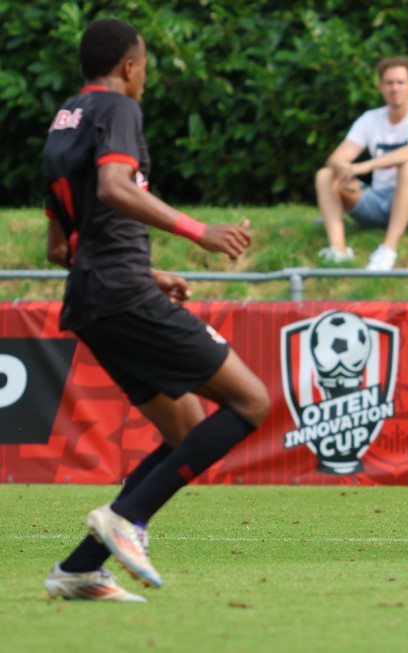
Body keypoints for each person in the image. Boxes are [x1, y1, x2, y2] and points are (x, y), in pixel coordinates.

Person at [41, 18, 270, 601]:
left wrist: (148, 272)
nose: (144, 78)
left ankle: (80, 568)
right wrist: (200, 232)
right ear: (129, 66)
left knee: (187, 429)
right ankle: (125, 520)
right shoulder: (117, 109)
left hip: (93, 297)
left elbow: (58, 246)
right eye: (144, 66)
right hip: (120, 294)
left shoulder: (63, 122)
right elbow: (118, 187)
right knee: (251, 401)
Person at [314, 56, 408, 271]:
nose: (395, 88)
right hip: (379, 200)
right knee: (325, 175)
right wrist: (346, 173)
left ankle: (388, 250)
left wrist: (365, 167)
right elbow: (336, 157)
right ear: (380, 86)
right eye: (389, 83)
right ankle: (338, 251)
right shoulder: (369, 119)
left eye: (400, 82)